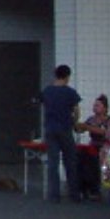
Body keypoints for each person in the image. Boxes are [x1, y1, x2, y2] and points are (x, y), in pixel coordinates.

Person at [39, 64, 82, 203]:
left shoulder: (47, 91)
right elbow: (76, 111)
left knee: (53, 162)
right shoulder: (70, 92)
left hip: (50, 129)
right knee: (70, 161)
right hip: (65, 128)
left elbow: (41, 103)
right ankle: (74, 194)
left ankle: (54, 195)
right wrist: (74, 122)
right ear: (67, 76)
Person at [78, 93, 110, 201]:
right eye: (94, 105)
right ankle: (84, 187)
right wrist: (76, 125)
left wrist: (88, 127)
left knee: (96, 159)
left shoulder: (109, 120)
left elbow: (106, 132)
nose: (94, 107)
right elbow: (81, 129)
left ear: (105, 108)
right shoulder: (91, 119)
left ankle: (96, 189)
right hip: (93, 145)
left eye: (98, 105)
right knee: (81, 156)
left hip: (106, 147)